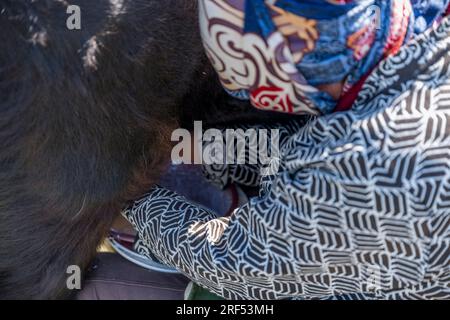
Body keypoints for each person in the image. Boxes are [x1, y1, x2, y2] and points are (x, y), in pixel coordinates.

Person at [123, 0, 450, 299]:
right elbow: (310, 141)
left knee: (100, 288)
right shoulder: (419, 24)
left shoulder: (376, 166)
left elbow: (231, 260)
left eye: (252, 85)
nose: (252, 99)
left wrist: (131, 191)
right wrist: (216, 151)